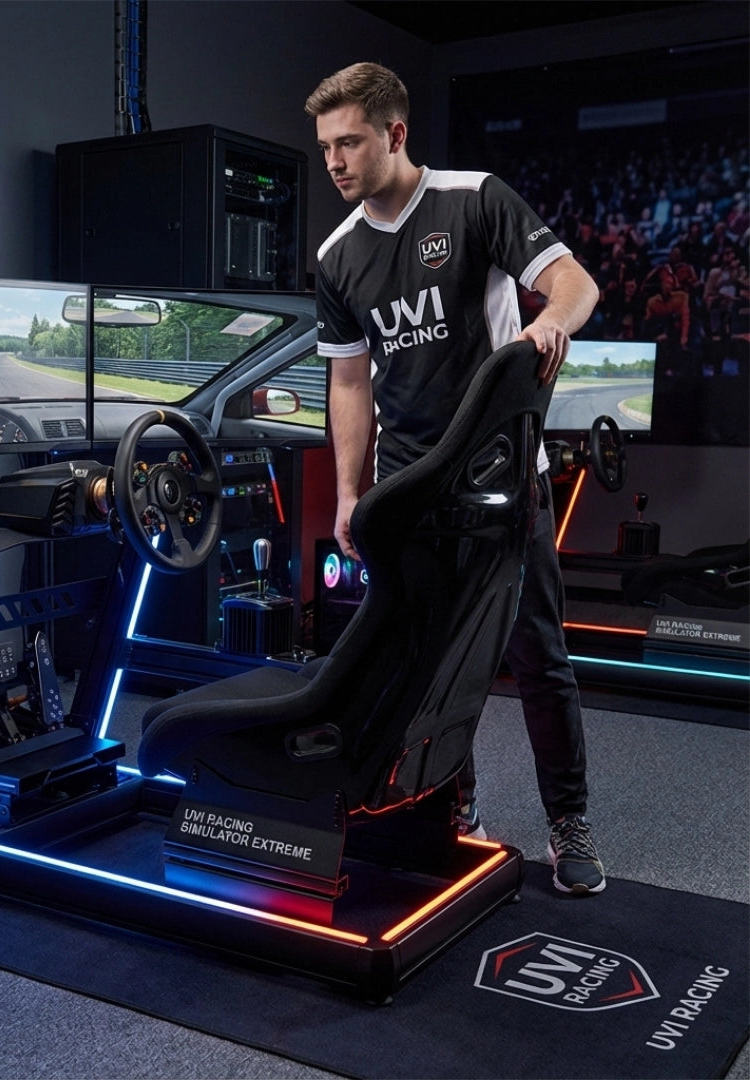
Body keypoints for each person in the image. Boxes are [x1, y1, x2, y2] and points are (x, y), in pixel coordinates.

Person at [305, 62, 605, 896]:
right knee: (428, 665)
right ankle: (452, 808)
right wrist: (349, 494)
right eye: (326, 146)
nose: (334, 160)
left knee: (537, 658)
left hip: (505, 482)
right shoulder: (337, 256)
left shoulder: (474, 199)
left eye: (350, 142)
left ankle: (568, 823)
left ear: (395, 133)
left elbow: (574, 283)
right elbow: (350, 382)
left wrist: (549, 321)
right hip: (413, 498)